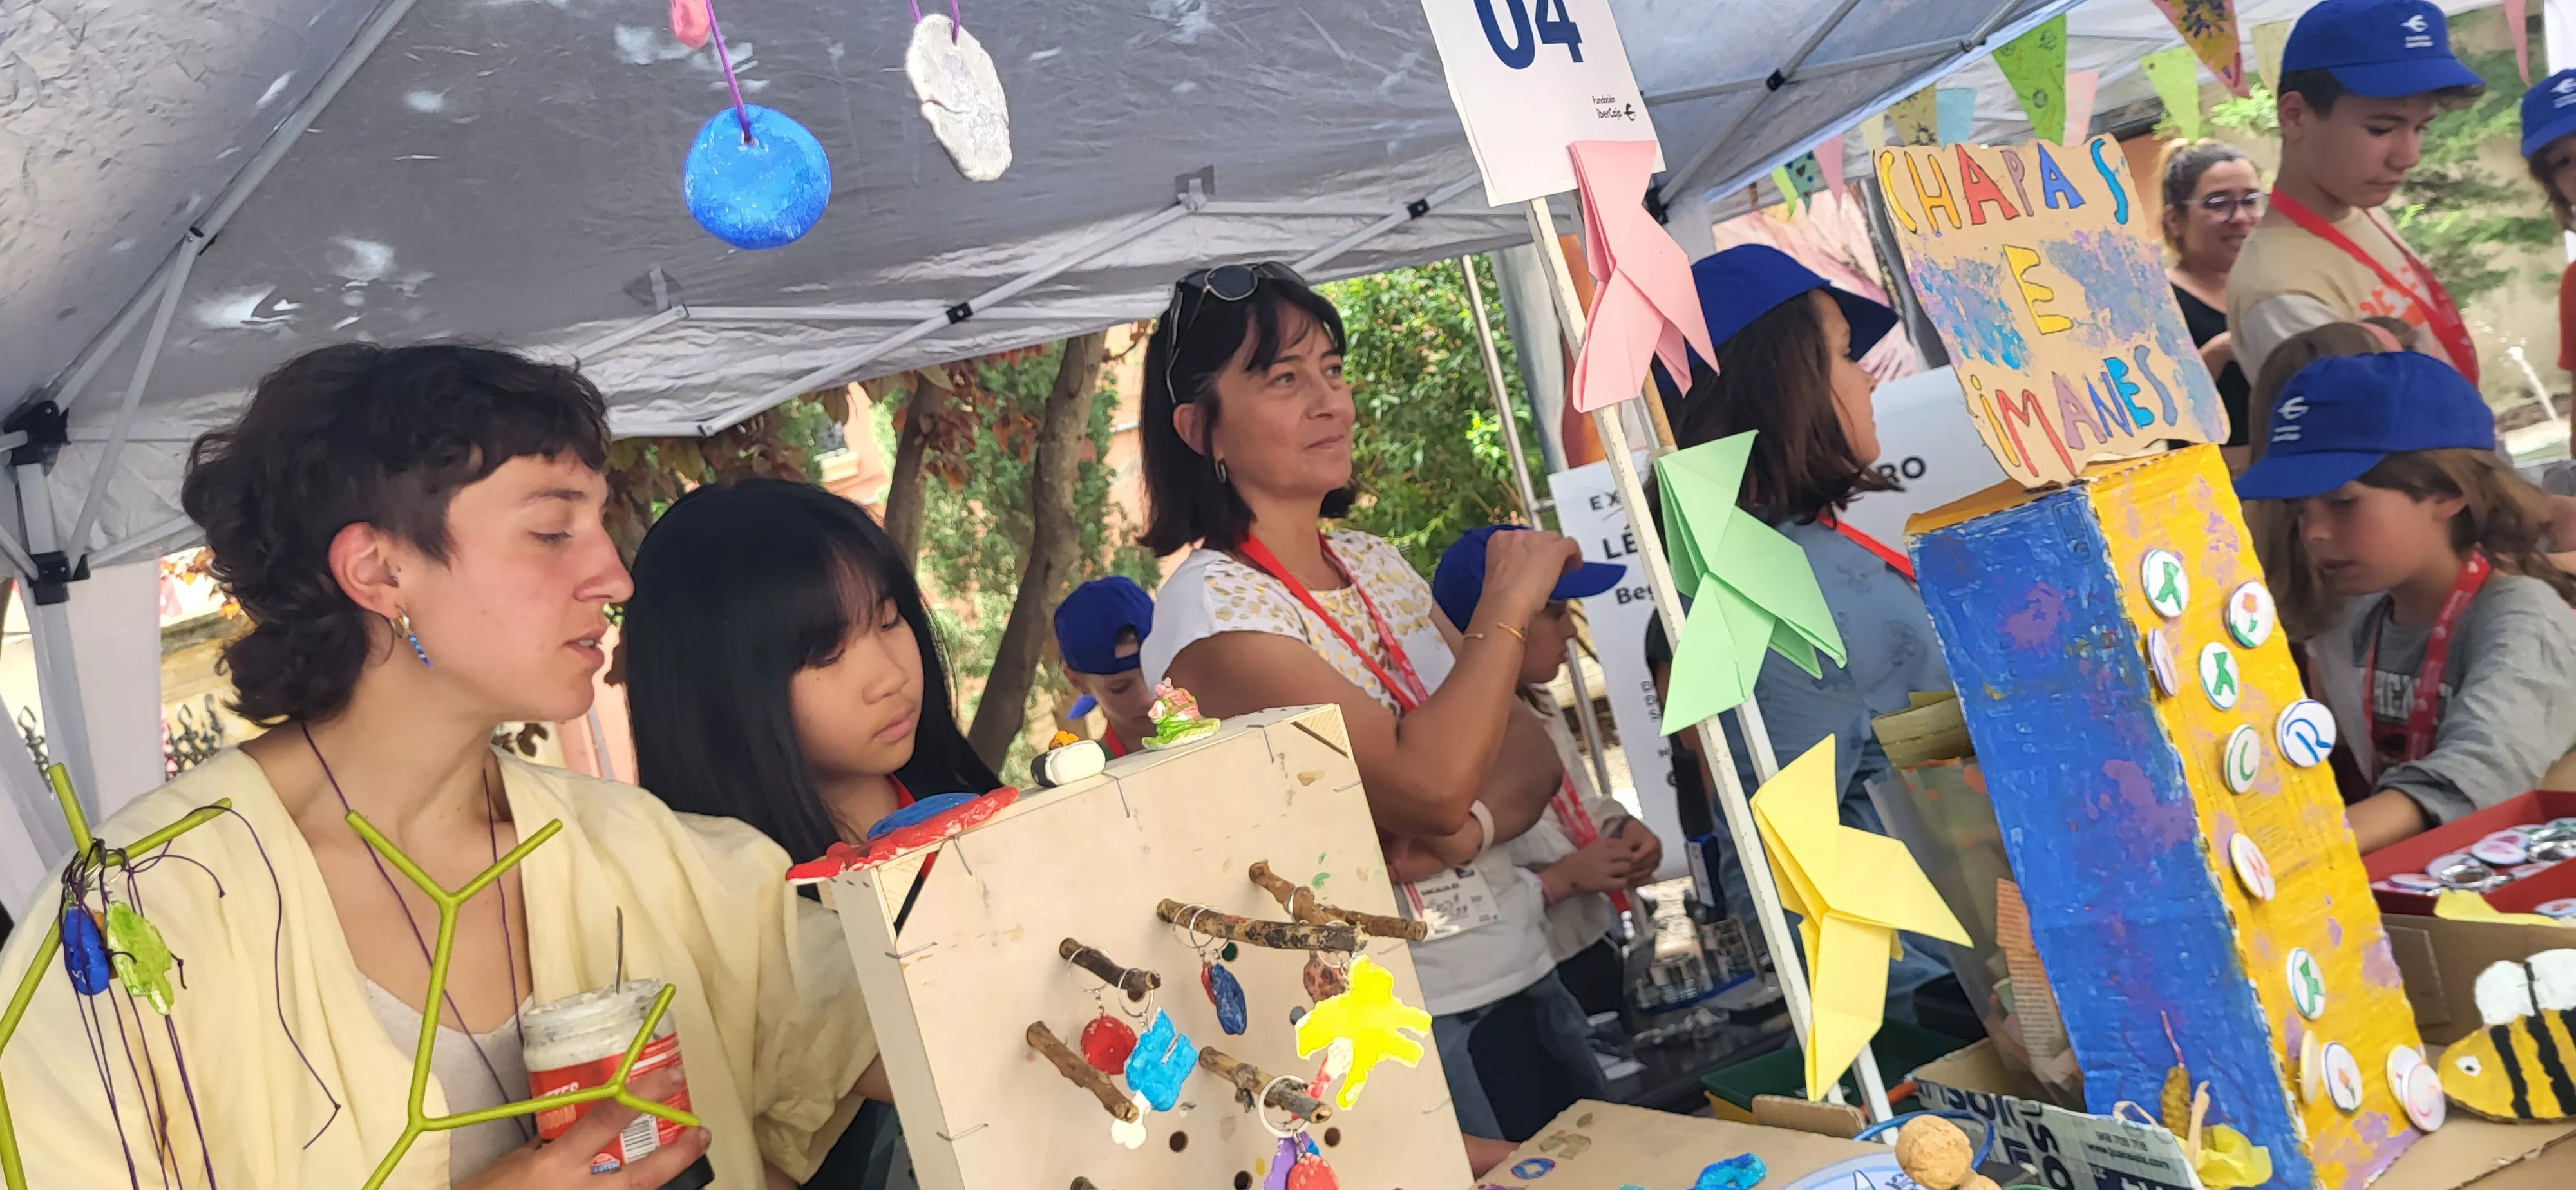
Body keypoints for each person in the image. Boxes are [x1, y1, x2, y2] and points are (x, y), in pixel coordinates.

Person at [0, 344, 878, 1189]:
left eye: (600, 523)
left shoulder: (642, 855)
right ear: (380, 571)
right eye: (550, 531)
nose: (615, 575)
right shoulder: (134, 921)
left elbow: (895, 1016)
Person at [1130, 261, 1599, 1157]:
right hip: (1398, 1021)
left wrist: (1469, 829)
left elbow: (1535, 750)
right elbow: (1427, 781)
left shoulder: (1375, 561)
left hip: (1520, 965)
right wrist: (1503, 609)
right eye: (1284, 378)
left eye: (1334, 371)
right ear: (1200, 429)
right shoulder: (1208, 613)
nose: (1330, 401)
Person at [620, 477, 1003, 1190]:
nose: (888, 676)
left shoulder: (967, 810)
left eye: (890, 621)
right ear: (719, 692)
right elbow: (970, 1056)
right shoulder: (733, 916)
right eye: (825, 655)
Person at [1647, 244, 1951, 1023]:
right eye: (1845, 356)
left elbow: (1920, 763)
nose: (1866, 379)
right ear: (1780, 382)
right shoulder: (1762, 587)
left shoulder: (1790, 557)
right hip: (1939, 1000)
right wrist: (1939, 1011)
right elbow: (1793, 861)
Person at [2237, 352, 2576, 851]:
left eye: (2341, 502)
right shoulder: (2370, 618)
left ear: (2446, 491)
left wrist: (2296, 850)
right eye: (2298, 509)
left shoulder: (2520, 615)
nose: (2314, 533)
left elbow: (2479, 770)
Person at [1432, 525, 1662, 1021]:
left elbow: (1577, 803)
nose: (1572, 631)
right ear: (1497, 619)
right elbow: (1452, 877)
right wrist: (1561, 881)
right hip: (1526, 972)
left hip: (1590, 938)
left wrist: (1619, 829)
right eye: (1555, 614)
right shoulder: (1450, 736)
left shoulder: (1538, 704)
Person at [2227, 0, 2485, 385]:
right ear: (2296, 115)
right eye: (2382, 129)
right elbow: (2381, 437)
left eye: (2421, 128)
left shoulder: (2362, 209)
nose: (2409, 157)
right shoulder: (2281, 292)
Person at [2161, 140, 2264, 459]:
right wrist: (2216, 355)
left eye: (2251, 201)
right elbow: (2158, 412)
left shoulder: (2273, 285)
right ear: (2175, 220)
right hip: (2217, 485)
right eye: (2218, 203)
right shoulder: (2157, 304)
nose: (2241, 217)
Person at [1053, 576, 1162, 757]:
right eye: (1120, 687)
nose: (1146, 698)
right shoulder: (1093, 780)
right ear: (1077, 682)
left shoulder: (1222, 722)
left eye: (1157, 673)